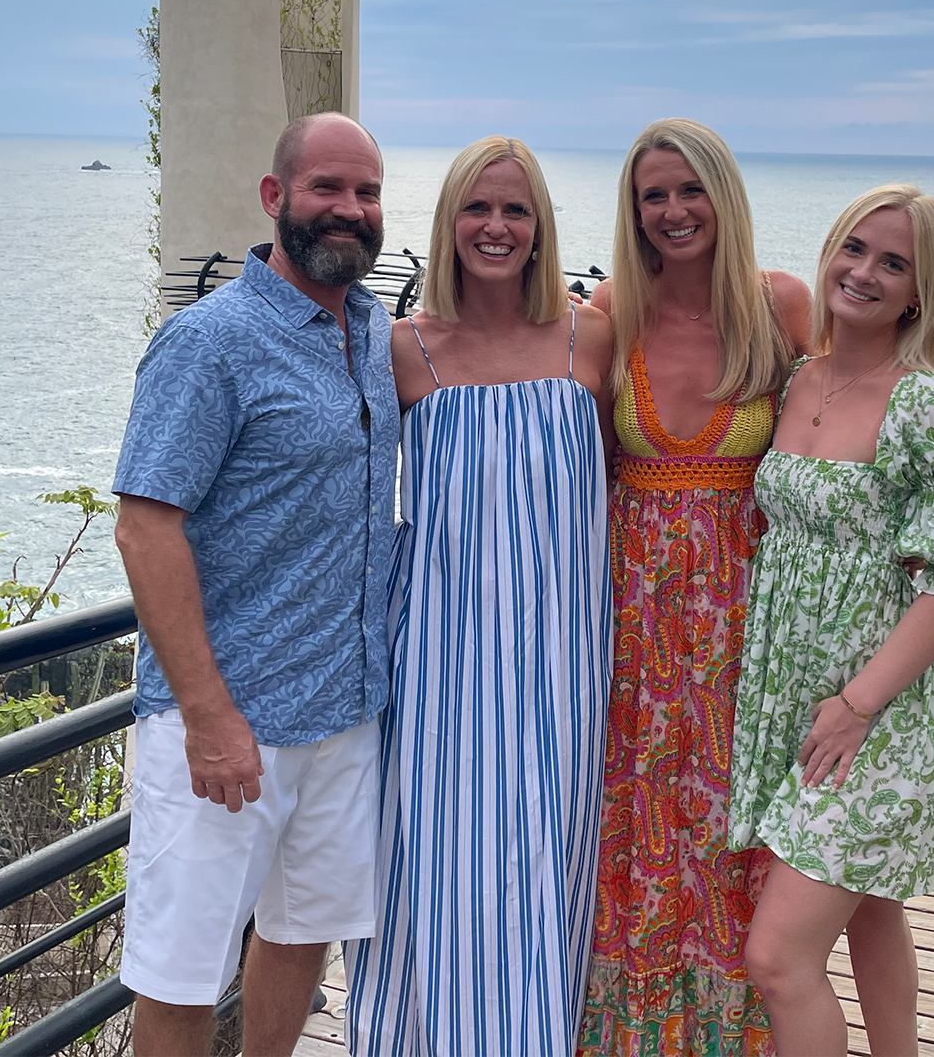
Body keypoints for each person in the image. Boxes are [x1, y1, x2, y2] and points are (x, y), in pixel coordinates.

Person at [110, 112, 396, 1057]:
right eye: (327, 188)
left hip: (345, 709)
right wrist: (207, 714)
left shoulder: (370, 327)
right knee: (183, 970)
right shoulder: (211, 343)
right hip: (227, 724)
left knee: (301, 933)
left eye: (366, 192)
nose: (349, 209)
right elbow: (146, 525)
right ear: (276, 198)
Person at [344, 136, 616, 1057]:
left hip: (566, 651)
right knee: (439, 865)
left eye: (515, 210)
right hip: (442, 651)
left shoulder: (591, 337)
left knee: (553, 862)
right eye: (477, 208)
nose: (495, 227)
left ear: (540, 229)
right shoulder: (406, 349)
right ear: (448, 222)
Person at [728, 184, 934, 1057]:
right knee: (872, 909)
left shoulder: (924, 405)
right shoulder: (796, 376)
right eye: (855, 248)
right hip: (797, 699)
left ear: (922, 293)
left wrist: (858, 704)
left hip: (874, 713)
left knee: (777, 960)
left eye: (894, 264)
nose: (865, 272)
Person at [579, 118, 812, 1057]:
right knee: (631, 825)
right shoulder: (611, 315)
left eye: (689, 190)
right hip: (631, 621)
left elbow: (855, 419)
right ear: (633, 213)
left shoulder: (783, 307)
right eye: (653, 195)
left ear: (724, 195)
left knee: (734, 833)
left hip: (750, 624)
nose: (673, 211)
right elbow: (581, 471)